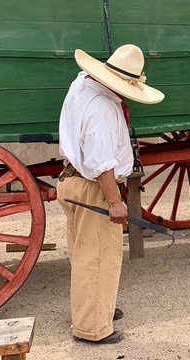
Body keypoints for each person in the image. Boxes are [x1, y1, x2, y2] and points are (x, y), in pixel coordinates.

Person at [56, 44, 164, 344]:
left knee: (84, 254)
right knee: (100, 257)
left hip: (72, 180)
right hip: (93, 189)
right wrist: (115, 203)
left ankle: (94, 308)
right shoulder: (103, 110)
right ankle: (91, 328)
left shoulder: (82, 84)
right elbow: (101, 164)